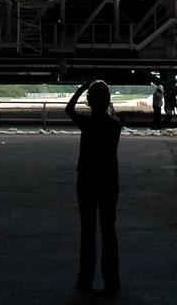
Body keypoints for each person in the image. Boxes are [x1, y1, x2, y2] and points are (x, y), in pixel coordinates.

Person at [65, 80, 122, 292]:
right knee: (109, 231)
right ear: (107, 101)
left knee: (87, 232)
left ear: (89, 101)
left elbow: (68, 109)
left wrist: (81, 88)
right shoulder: (115, 125)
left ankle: (85, 280)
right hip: (109, 181)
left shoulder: (86, 123)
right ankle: (112, 280)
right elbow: (112, 116)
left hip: (87, 180)